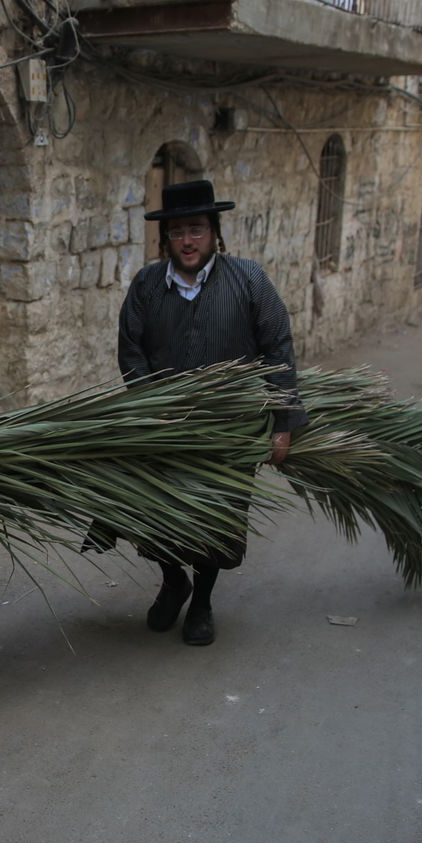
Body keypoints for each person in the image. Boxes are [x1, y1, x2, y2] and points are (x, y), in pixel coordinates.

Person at [117, 180, 308, 646]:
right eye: (178, 231)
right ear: (166, 239)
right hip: (166, 430)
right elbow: (130, 351)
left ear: (214, 232)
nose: (187, 240)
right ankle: (172, 580)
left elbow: (277, 351)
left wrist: (283, 424)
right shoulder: (146, 284)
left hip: (230, 429)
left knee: (215, 522)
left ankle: (201, 600)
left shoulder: (249, 280)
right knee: (153, 515)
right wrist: (150, 400)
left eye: (196, 229)